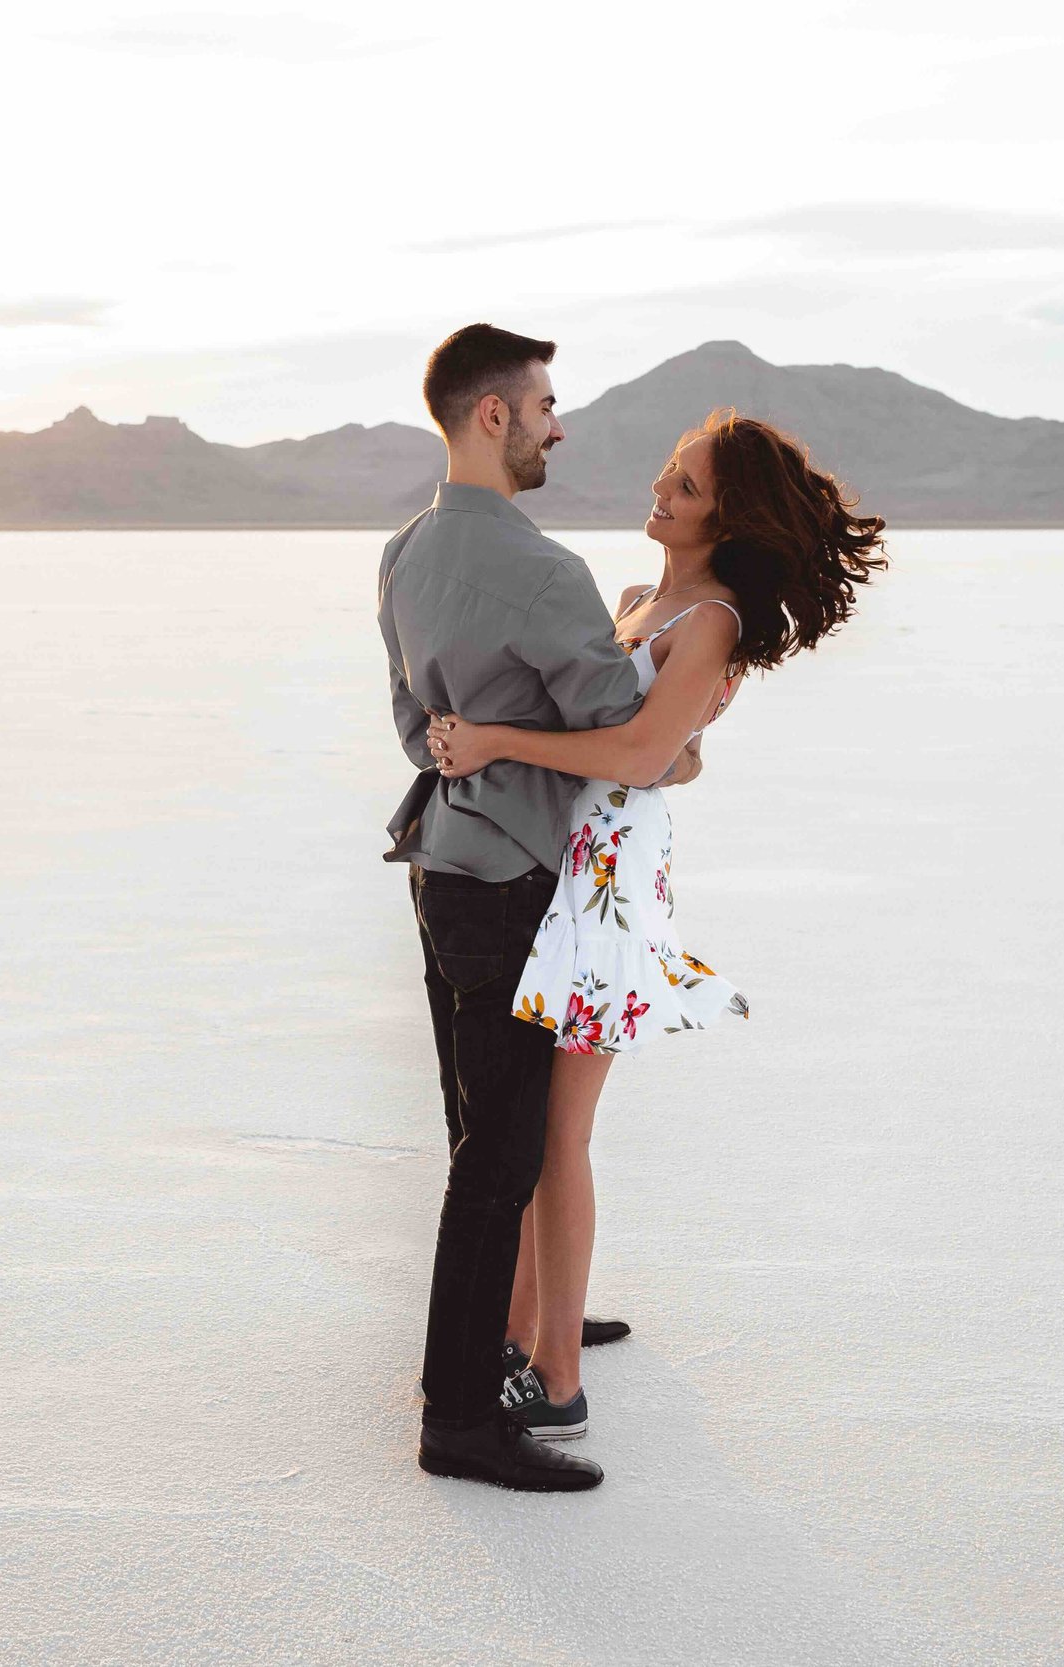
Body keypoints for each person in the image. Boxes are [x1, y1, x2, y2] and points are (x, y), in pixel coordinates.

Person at [427, 407, 889, 1443]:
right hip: (560, 862)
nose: (660, 489)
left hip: (604, 881)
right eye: (670, 472)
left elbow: (638, 756)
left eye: (683, 484)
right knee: (528, 1124)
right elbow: (649, 744)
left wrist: (494, 737)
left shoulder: (711, 618)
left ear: (726, 515)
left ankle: (555, 1377)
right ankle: (526, 1315)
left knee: (555, 1132)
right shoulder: (641, 600)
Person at [379, 324, 701, 1493]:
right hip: (512, 881)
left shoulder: (404, 553)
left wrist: (491, 748)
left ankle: (519, 1336)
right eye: (546, 404)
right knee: (498, 1158)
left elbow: (422, 732)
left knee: (491, 1146)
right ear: (493, 416)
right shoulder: (543, 570)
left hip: (442, 868)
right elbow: (638, 745)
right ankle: (458, 1415)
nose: (559, 425)